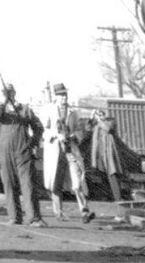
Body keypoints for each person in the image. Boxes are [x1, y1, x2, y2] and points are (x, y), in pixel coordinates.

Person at [0, 83, 44, 227]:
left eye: (10, 92)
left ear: (15, 93)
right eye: (5, 93)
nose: (8, 95)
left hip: (22, 151)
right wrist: (4, 102)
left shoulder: (25, 109)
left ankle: (34, 218)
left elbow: (38, 127)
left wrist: (31, 143)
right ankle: (14, 217)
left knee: (27, 184)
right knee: (8, 183)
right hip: (4, 151)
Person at [44, 82, 93, 223]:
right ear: (56, 97)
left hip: (70, 150)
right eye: (61, 95)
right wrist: (55, 135)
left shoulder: (73, 113)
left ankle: (85, 211)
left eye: (65, 94)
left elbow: (79, 130)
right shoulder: (49, 110)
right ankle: (58, 212)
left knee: (77, 181)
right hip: (55, 149)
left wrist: (73, 136)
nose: (64, 98)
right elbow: (44, 131)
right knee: (56, 181)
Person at [90, 108, 125, 206]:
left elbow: (108, 128)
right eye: (98, 115)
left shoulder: (110, 121)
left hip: (108, 155)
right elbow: (89, 130)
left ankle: (118, 199)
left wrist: (99, 121)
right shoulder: (97, 126)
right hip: (100, 156)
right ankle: (110, 198)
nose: (100, 117)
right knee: (104, 178)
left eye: (101, 114)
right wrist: (91, 119)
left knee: (112, 176)